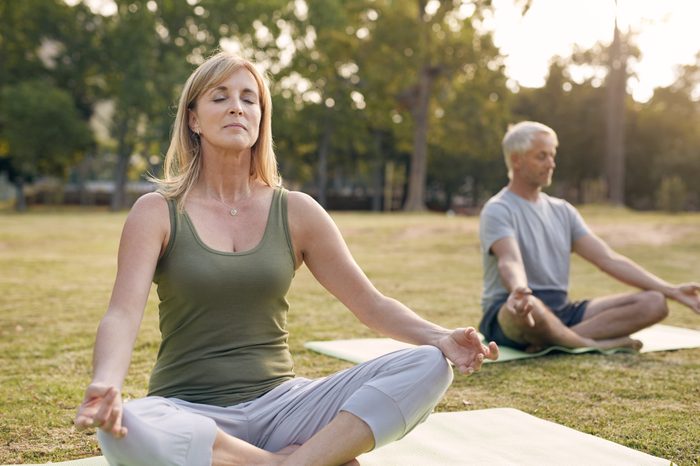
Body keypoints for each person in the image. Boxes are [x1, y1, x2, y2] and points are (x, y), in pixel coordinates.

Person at [74, 51, 499, 466]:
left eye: (249, 98)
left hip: (285, 408)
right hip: (190, 410)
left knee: (428, 364)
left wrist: (440, 336)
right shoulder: (156, 211)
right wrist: (107, 382)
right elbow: (122, 315)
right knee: (128, 423)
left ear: (261, 118)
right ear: (193, 119)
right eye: (219, 97)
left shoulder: (297, 211)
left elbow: (371, 305)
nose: (236, 108)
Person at [478, 120, 700, 353]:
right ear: (516, 160)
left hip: (562, 311)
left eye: (552, 155)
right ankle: (588, 342)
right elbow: (509, 260)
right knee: (531, 307)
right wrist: (519, 290)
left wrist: (672, 290)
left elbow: (608, 259)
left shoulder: (563, 210)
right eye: (541, 156)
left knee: (654, 302)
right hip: (514, 307)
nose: (551, 163)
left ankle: (556, 340)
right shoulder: (498, 208)